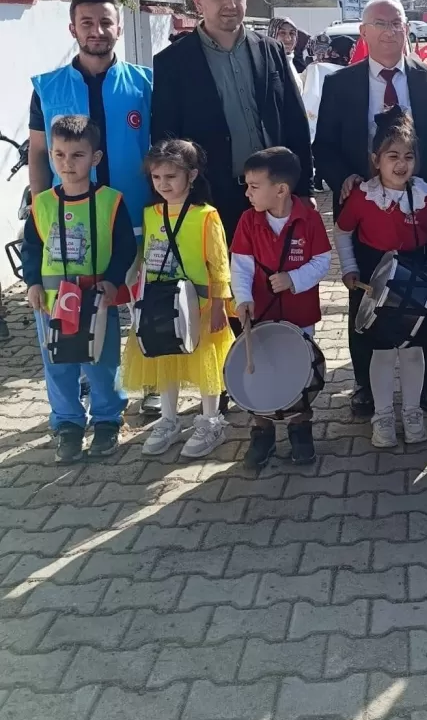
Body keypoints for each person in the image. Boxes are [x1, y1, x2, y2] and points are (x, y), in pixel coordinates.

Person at [314, 0, 427, 417]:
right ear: (364, 32)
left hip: (418, 211)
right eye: (381, 23)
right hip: (367, 212)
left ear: (408, 27)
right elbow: (324, 146)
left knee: (425, 298)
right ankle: (363, 385)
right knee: (363, 299)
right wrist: (344, 182)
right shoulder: (341, 84)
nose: (391, 30)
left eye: (398, 22)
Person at [151, 0, 312, 243]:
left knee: (277, 281)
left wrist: (305, 189)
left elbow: (294, 119)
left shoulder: (270, 50)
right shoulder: (173, 61)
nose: (230, 3)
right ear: (199, 1)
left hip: (274, 194)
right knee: (220, 284)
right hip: (212, 199)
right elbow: (166, 137)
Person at [23, 115, 136, 463]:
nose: (67, 164)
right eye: (59, 155)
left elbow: (124, 248)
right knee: (59, 364)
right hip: (54, 303)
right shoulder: (41, 204)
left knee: (101, 361)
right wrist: (33, 284)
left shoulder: (111, 201)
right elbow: (31, 248)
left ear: (95, 158)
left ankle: (106, 419)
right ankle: (68, 423)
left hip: (97, 300)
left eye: (77, 155)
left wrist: (113, 280)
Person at [124, 140, 235, 459]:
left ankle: (211, 420)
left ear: (192, 175)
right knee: (165, 362)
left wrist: (218, 304)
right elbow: (147, 257)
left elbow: (219, 263)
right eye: (157, 178)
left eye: (171, 176)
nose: (163, 184)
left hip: (198, 306)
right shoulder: (151, 212)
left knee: (205, 365)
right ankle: (169, 420)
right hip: (160, 305)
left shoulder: (206, 215)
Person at [333, 109, 427, 450]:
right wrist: (349, 267)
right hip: (376, 280)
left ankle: (411, 411)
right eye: (392, 156)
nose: (401, 164)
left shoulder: (425, 193)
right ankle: (382, 415)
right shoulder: (362, 195)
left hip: (417, 281)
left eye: (408, 156)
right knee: (381, 352)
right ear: (375, 160)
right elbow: (344, 231)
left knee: (413, 351)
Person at [231, 147, 332, 470]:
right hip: (260, 316)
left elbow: (322, 261)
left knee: (298, 371)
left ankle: (300, 429)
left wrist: (294, 278)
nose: (247, 193)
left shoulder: (309, 218)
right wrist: (243, 298)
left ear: (281, 189)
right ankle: (262, 432)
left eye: (253, 186)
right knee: (260, 370)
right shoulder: (248, 221)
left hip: (298, 314)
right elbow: (241, 266)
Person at [29, 0, 152, 237]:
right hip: (70, 221)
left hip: (137, 216)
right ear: (73, 29)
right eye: (87, 23)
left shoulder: (146, 84)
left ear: (119, 28)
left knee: (129, 277)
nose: (97, 31)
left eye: (106, 22)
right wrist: (40, 211)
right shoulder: (47, 88)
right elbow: (39, 152)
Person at [268, 16, 306, 83]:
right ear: (272, 34)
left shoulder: (291, 60)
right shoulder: (267, 64)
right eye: (282, 33)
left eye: (292, 33)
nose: (288, 38)